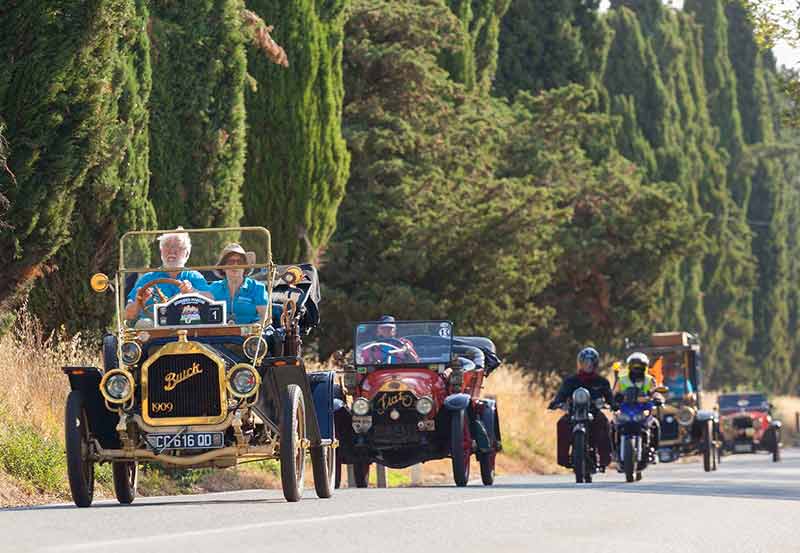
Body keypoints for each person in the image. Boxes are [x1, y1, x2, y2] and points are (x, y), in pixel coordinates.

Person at [125, 228, 211, 322]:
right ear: (161, 252)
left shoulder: (195, 277)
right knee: (145, 323)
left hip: (188, 328)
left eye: (178, 246)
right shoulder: (147, 278)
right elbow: (128, 315)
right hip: (154, 333)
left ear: (187, 254)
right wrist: (139, 301)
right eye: (167, 245)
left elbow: (212, 301)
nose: (171, 250)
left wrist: (193, 292)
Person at [548, 347, 614, 470]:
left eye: (591, 362)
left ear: (596, 364)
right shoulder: (570, 381)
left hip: (594, 413)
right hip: (574, 413)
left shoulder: (602, 382)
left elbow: (609, 397)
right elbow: (561, 394)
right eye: (585, 362)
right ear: (580, 363)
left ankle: (605, 459)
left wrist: (613, 404)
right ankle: (563, 459)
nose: (588, 365)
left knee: (604, 422)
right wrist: (556, 402)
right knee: (562, 423)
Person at [208, 243, 269, 324]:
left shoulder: (257, 288)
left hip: (250, 335)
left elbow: (265, 319)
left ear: (245, 267)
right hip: (219, 335)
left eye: (240, 262)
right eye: (230, 262)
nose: (235, 265)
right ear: (222, 268)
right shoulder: (213, 288)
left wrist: (249, 332)